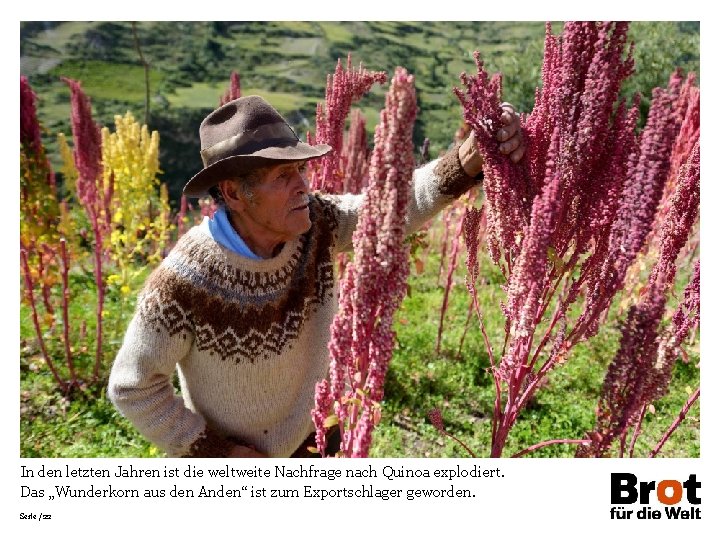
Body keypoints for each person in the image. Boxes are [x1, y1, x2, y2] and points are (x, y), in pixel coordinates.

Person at [108, 95, 524, 458]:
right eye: (282, 177)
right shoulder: (186, 281)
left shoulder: (315, 224)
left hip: (319, 435)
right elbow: (133, 387)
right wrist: (218, 453)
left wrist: (466, 162)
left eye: (300, 172)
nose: (303, 187)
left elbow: (389, 209)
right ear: (234, 194)